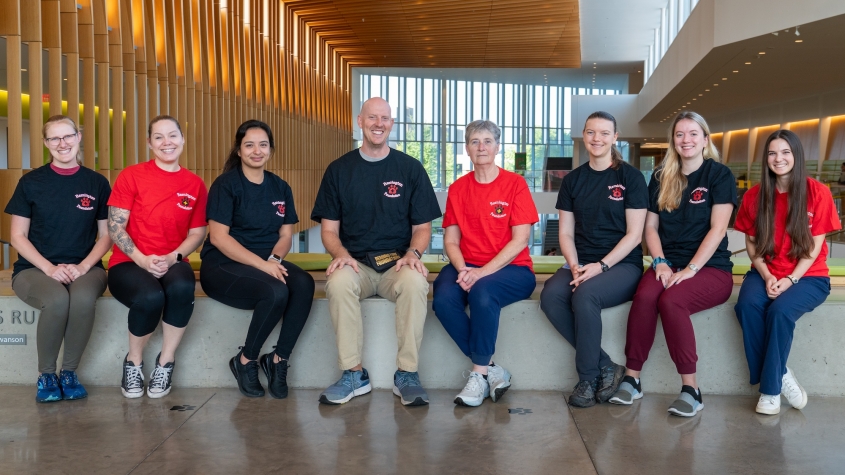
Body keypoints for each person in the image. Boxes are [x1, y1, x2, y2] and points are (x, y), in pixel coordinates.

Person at [311, 97, 441, 406]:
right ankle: (354, 374)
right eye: (372, 118)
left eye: (384, 118)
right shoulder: (339, 170)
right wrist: (340, 254)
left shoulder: (409, 169)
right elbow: (328, 230)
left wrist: (414, 254)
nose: (378, 123)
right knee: (339, 282)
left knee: (415, 282)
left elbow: (423, 228)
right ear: (360, 121)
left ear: (392, 124)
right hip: (357, 265)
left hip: (397, 265)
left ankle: (407, 374)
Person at [608, 112, 736, 417]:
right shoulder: (660, 176)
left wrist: (690, 270)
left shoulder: (719, 175)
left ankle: (691, 389)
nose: (686, 140)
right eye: (680, 134)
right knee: (645, 296)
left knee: (672, 300)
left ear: (705, 140)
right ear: (673, 141)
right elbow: (650, 228)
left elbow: (718, 230)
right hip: (668, 262)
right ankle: (632, 378)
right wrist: (661, 263)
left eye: (693, 134)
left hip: (710, 268)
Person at [539, 111, 648, 408]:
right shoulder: (573, 180)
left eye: (604, 133)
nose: (596, 138)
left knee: (585, 295)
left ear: (615, 137)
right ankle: (605, 366)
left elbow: (635, 235)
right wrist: (574, 265)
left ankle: (586, 378)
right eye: (591, 132)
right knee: (550, 296)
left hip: (621, 264)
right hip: (581, 260)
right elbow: (565, 232)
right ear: (584, 136)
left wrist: (600, 267)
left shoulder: (631, 177)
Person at [200, 120, 315, 399]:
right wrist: (265, 266)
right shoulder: (226, 185)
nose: (256, 151)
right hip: (223, 265)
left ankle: (278, 360)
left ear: (270, 150)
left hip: (265, 261)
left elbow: (286, 234)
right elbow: (218, 238)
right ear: (239, 151)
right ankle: (245, 360)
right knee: (276, 290)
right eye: (249, 145)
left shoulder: (280, 187)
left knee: (304, 283)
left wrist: (275, 259)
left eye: (262, 145)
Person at [5, 115, 111, 403]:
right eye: (54, 138)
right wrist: (49, 268)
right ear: (46, 143)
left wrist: (84, 266)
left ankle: (69, 373)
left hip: (86, 267)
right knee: (56, 300)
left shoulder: (97, 182)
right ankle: (47, 375)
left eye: (68, 136)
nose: (62, 143)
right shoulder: (30, 183)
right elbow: (18, 237)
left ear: (78, 137)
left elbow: (106, 235)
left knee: (82, 299)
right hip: (34, 269)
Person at [734, 129, 840, 415]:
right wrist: (768, 275)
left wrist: (790, 279)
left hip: (809, 276)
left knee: (779, 312)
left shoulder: (818, 193)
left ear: (796, 156)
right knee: (746, 306)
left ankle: (769, 391)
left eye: (785, 152)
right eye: (772, 153)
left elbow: (814, 248)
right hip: (765, 271)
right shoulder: (755, 196)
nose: (778, 158)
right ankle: (780, 373)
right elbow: (752, 242)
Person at [432, 120, 538, 407]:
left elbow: (520, 240)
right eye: (475, 141)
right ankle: (493, 368)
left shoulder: (515, 184)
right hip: (466, 265)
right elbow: (451, 241)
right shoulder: (457, 189)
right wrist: (465, 268)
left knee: (481, 292)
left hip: (513, 270)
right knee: (442, 299)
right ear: (467, 148)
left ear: (497, 146)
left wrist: (480, 273)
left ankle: (478, 375)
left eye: (488, 141)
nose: (482, 147)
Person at [107, 115, 208, 399]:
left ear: (182, 139)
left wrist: (173, 256)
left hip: (173, 259)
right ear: (150, 143)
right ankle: (134, 362)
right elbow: (115, 226)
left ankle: (165, 362)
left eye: (173, 135)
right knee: (151, 297)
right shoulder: (131, 175)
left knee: (181, 287)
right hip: (128, 263)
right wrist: (141, 259)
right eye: (159, 137)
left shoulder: (195, 183)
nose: (167, 142)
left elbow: (197, 232)